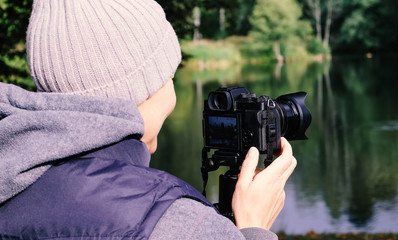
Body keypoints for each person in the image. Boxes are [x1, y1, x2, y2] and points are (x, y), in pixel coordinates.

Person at [0, 0, 297, 239]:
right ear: (147, 86)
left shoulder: (12, 178)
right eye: (170, 74)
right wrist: (254, 226)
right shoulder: (173, 221)